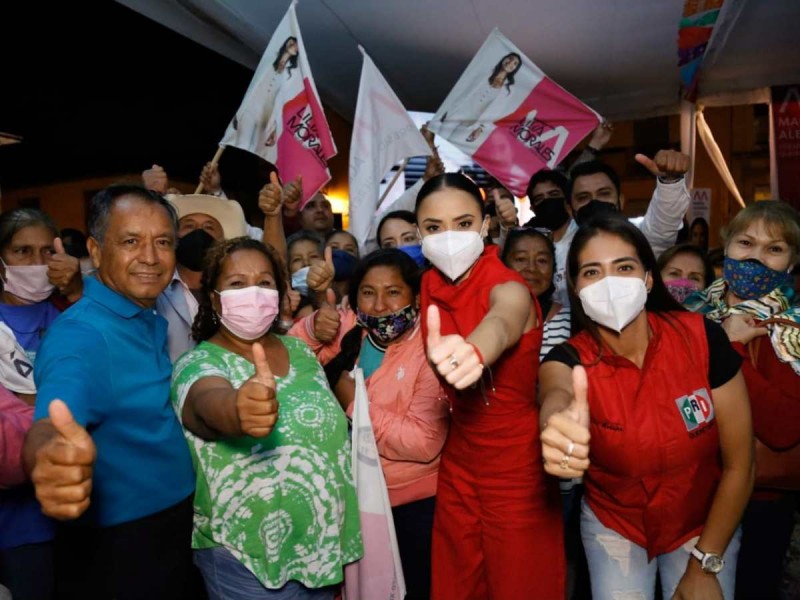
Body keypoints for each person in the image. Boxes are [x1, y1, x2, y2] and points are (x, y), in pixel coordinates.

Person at [539, 214, 753, 600]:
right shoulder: (567, 359)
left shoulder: (701, 338)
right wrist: (556, 425)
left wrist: (704, 564)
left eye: (624, 267)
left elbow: (741, 464)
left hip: (703, 522)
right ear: (575, 287)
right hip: (615, 524)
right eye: (592, 272)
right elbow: (557, 392)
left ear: (648, 278)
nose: (610, 284)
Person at [23, 184, 196, 600]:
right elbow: (55, 417)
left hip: (169, 531)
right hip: (123, 549)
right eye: (131, 242)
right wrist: (49, 456)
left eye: (163, 242)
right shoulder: (82, 334)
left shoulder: (140, 313)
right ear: (96, 251)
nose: (151, 257)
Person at [171, 236, 362, 600]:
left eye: (264, 282)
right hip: (248, 561)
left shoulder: (299, 351)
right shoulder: (198, 363)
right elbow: (206, 403)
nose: (253, 293)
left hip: (321, 550)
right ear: (214, 298)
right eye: (237, 283)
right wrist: (236, 410)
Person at [415, 173, 565, 599]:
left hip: (517, 467)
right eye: (433, 227)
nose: (449, 237)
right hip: (459, 462)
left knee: (521, 585)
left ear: (484, 225)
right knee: (456, 585)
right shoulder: (429, 284)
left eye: (463, 224)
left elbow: (503, 318)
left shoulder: (509, 285)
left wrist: (476, 351)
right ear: (419, 234)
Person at [290, 248, 449, 599]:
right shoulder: (348, 329)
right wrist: (314, 328)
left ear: (416, 298)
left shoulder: (431, 349)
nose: (379, 306)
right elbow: (287, 358)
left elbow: (424, 443)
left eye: (393, 292)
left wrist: (355, 404)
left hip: (410, 506)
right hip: (346, 498)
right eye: (368, 293)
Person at [683, 200, 800, 599]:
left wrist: (730, 349)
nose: (755, 257)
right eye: (746, 243)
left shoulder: (790, 329)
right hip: (690, 493)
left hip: (762, 501)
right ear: (727, 246)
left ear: (792, 262)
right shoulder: (692, 314)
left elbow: (784, 428)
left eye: (774, 248)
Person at [0, 207, 83, 600]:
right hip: (14, 515)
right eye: (22, 252)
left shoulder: (72, 311)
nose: (37, 263)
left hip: (74, 507)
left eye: (46, 252)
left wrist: (78, 290)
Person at [525, 151, 691, 309]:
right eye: (583, 197)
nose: (594, 202)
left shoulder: (639, 240)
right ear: (570, 209)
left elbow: (662, 227)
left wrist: (670, 182)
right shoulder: (557, 255)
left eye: (604, 194)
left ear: (620, 200)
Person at [158, 193, 249, 361]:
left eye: (209, 227)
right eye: (189, 226)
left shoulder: (237, 290)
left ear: (222, 241)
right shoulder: (155, 287)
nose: (199, 232)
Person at [500, 227, 570, 359]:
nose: (532, 268)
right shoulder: (486, 315)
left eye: (542, 260)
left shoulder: (570, 320)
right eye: (521, 259)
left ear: (553, 267)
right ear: (504, 265)